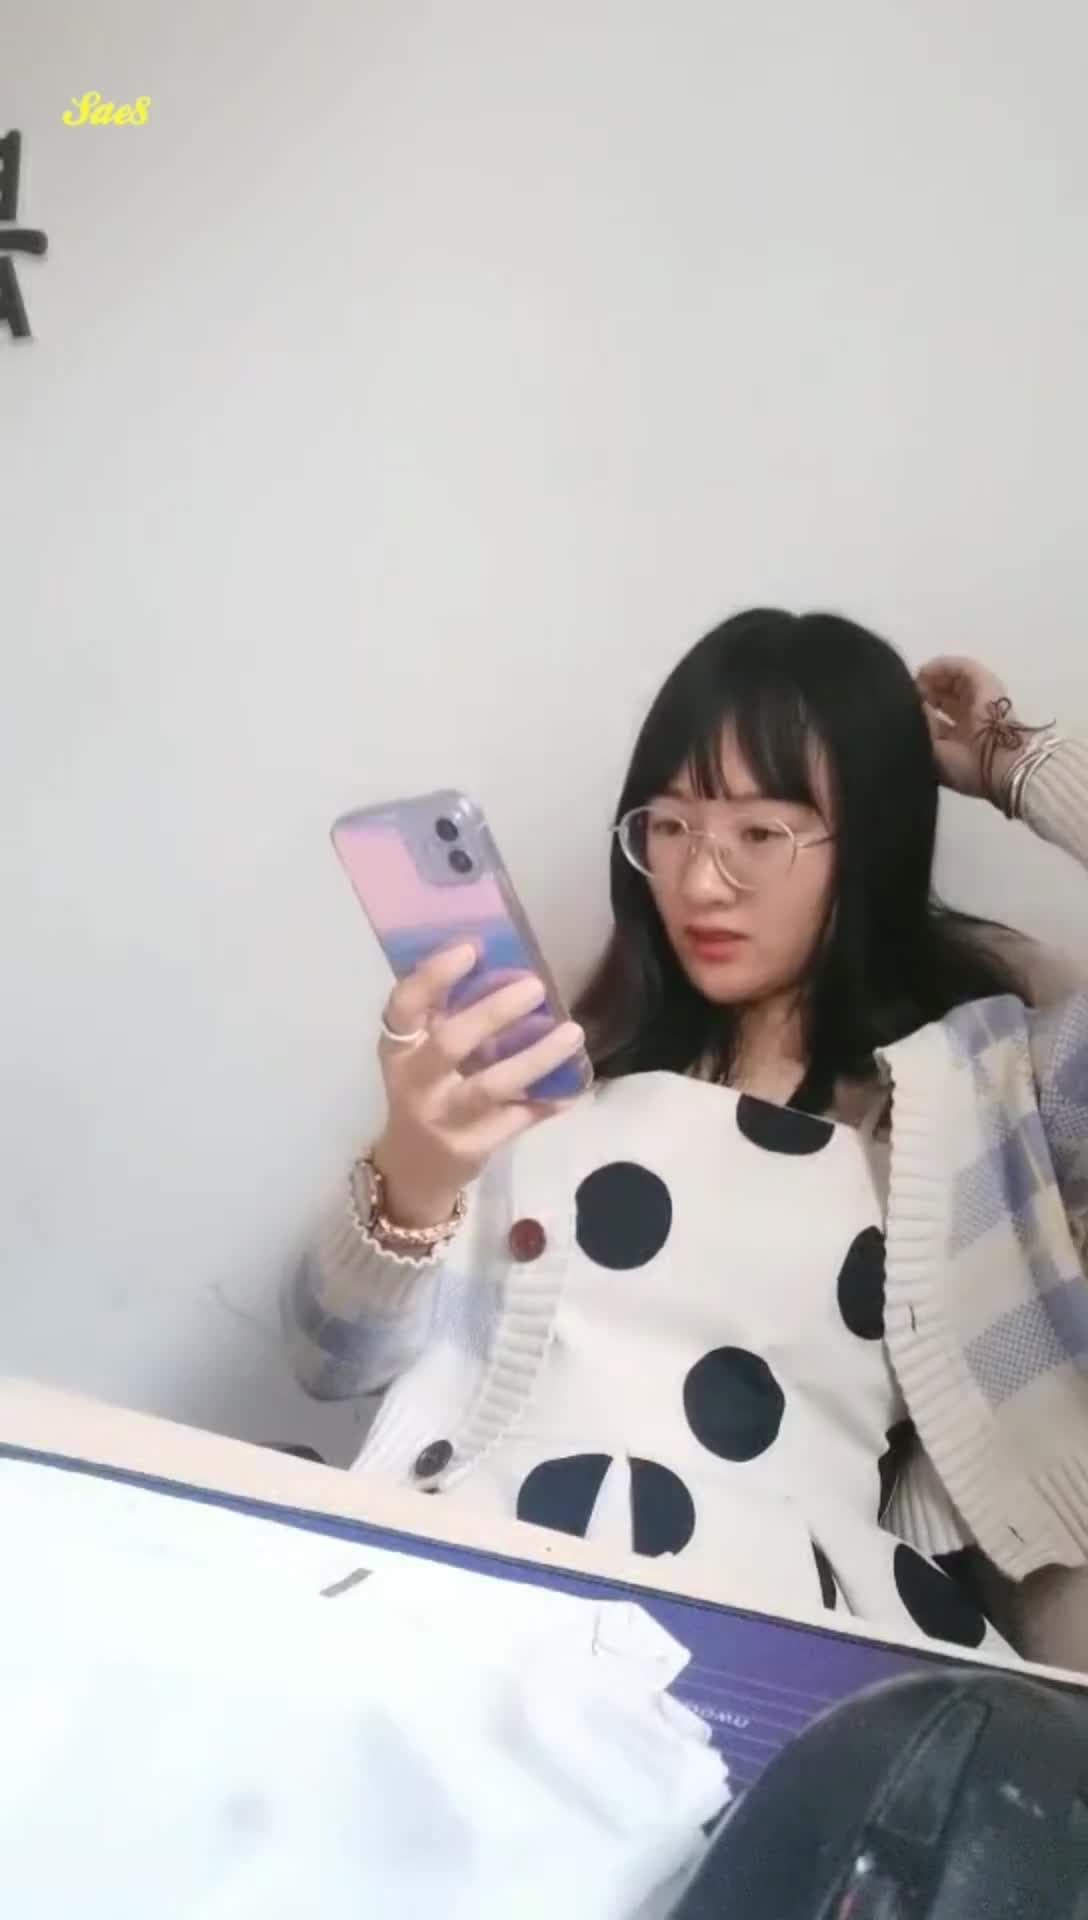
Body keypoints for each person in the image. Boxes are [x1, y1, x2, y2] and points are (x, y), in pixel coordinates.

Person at [284, 609, 1088, 1666]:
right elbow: (324, 1359)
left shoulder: (985, 1096)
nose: (700, 881)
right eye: (668, 826)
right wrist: (415, 1172)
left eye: (760, 833)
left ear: (870, 845)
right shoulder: (548, 1075)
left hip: (777, 1632)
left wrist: (1016, 761)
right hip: (476, 1579)